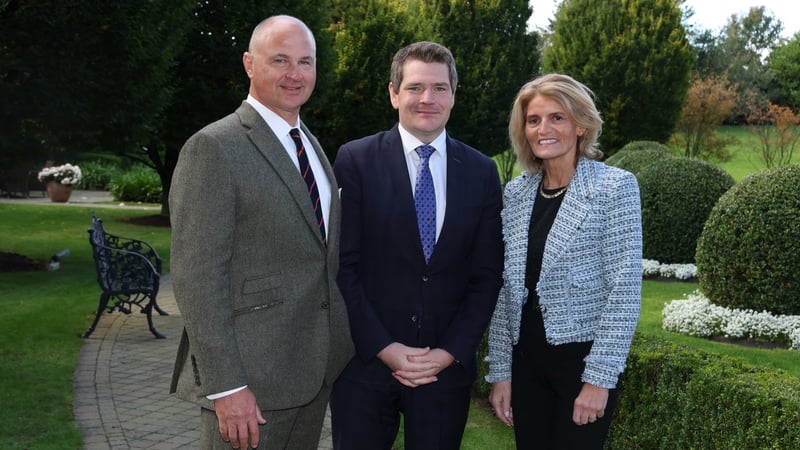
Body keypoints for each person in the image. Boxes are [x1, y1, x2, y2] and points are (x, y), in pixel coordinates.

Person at [168, 15, 353, 450]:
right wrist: (226, 387)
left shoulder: (308, 143)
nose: (295, 74)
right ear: (250, 64)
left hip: (312, 372)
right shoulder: (213, 147)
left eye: (305, 62)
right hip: (250, 383)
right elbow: (198, 278)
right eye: (280, 60)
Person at [329, 41, 504, 450]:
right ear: (394, 94)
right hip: (365, 365)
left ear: (453, 96)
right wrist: (385, 348)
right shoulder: (354, 160)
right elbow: (342, 266)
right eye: (415, 87)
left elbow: (487, 275)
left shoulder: (481, 171)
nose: (428, 99)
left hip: (445, 370)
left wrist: (450, 352)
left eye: (440, 88)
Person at [486, 73, 642, 449]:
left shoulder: (615, 188)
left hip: (581, 365)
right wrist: (501, 374)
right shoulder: (518, 192)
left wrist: (599, 380)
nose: (544, 129)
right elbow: (505, 289)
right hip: (527, 363)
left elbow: (623, 290)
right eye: (534, 120)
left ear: (581, 125)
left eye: (557, 117)